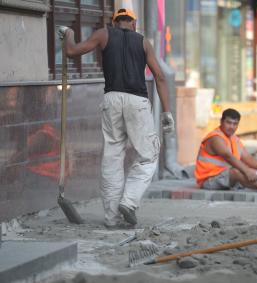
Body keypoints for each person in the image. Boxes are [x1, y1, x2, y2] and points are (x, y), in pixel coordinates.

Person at [59, 8, 174, 228]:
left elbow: (71, 51)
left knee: (112, 157)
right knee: (148, 156)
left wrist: (68, 32)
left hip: (111, 100)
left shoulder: (103, 34)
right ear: (134, 23)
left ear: (115, 22)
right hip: (137, 102)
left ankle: (112, 218)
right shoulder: (143, 42)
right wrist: (167, 113)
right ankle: (129, 202)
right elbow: (159, 76)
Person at [194, 108, 257, 193]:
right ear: (221, 122)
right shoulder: (215, 138)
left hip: (224, 176)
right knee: (238, 172)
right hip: (209, 180)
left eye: (235, 124)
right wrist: (246, 171)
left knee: (254, 172)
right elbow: (228, 157)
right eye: (228, 122)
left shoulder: (234, 139)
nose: (231, 126)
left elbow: (248, 159)